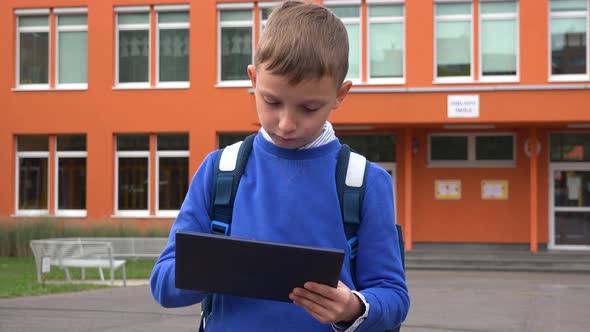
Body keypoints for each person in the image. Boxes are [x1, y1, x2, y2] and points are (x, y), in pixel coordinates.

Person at [150, 1, 410, 331]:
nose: (287, 124)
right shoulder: (220, 171)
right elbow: (162, 282)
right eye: (272, 102)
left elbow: (393, 297)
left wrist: (354, 306)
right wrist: (218, 269)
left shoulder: (364, 182)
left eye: (309, 108)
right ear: (253, 79)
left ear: (340, 95)